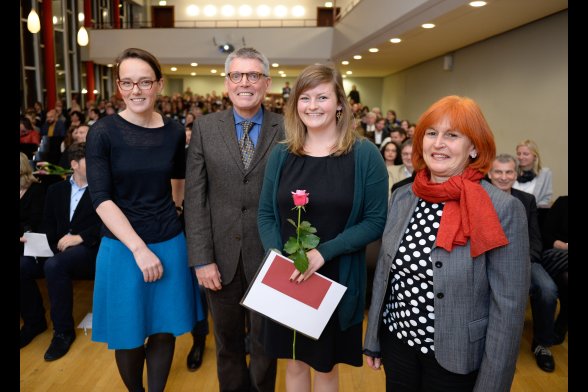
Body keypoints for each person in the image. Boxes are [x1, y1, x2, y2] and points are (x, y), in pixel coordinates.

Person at [364, 95, 530, 392]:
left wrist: (493, 385)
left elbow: (508, 307)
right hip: (398, 345)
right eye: (431, 133)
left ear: (475, 147)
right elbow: (385, 275)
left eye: (451, 135)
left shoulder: (502, 209)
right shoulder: (404, 196)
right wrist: (374, 339)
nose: (438, 143)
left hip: (457, 359)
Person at [258, 64, 389, 391]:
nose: (312, 106)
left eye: (322, 97)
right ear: (295, 104)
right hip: (288, 277)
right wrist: (280, 260)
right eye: (305, 98)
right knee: (294, 362)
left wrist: (322, 254)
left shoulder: (365, 155)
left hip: (335, 277)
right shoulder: (281, 155)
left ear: (340, 103)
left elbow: (375, 221)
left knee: (326, 366)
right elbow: (265, 214)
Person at [86, 48, 203, 392]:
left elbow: (179, 179)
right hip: (123, 248)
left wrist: (177, 210)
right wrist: (138, 248)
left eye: (144, 82)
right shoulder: (103, 132)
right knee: (129, 334)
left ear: (159, 85)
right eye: (127, 82)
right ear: (119, 87)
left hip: (168, 241)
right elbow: (101, 199)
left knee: (164, 330)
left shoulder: (172, 131)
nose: (136, 90)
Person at [184, 47, 284, 392]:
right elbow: (195, 198)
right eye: (237, 75)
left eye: (254, 75)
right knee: (227, 346)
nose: (245, 82)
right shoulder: (205, 128)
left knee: (265, 346)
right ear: (226, 82)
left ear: (267, 83)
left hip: (270, 256)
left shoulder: (287, 129)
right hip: (218, 260)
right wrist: (201, 259)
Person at [20, 143, 101, 362]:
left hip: (90, 248)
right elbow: (48, 225)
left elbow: (108, 224)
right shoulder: (56, 190)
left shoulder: (102, 189)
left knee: (55, 265)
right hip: (57, 246)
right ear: (75, 164)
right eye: (90, 161)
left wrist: (81, 237)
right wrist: (35, 240)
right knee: (23, 265)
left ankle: (63, 332)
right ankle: (34, 321)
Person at [488, 153, 558, 372]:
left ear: (516, 174)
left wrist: (525, 261)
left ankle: (542, 344)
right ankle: (496, 348)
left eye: (508, 172)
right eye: (498, 172)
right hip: (489, 259)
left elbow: (535, 237)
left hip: (524, 259)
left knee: (548, 290)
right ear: (489, 174)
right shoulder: (481, 198)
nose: (503, 177)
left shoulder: (526, 200)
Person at [540, 195, 568, 346]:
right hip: (555, 255)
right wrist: (564, 246)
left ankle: (564, 317)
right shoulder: (563, 202)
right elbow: (545, 235)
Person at [513, 139, 553, 208]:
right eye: (519, 154)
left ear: (535, 156)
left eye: (526, 154)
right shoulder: (511, 172)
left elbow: (546, 198)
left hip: (536, 213)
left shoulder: (545, 173)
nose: (521, 157)